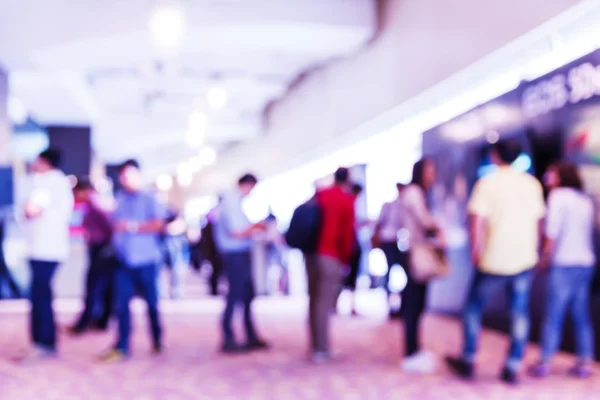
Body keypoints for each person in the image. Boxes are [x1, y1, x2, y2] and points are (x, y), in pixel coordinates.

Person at [445, 140, 546, 384]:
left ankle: (469, 358)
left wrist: (475, 250)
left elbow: (476, 220)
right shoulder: (532, 184)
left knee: (473, 307)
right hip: (524, 259)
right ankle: (512, 365)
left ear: (495, 155)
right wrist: (537, 249)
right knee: (519, 313)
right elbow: (539, 221)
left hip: (493, 257)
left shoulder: (487, 182)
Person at [529, 162, 596, 379]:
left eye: (551, 173)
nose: (547, 176)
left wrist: (544, 259)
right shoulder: (584, 200)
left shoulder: (557, 198)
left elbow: (552, 233)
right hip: (585, 262)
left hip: (564, 262)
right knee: (581, 315)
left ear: (561, 176)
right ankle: (585, 361)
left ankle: (545, 361)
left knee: (553, 314)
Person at [100, 159, 166, 362]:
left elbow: (158, 225)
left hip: (146, 259)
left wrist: (131, 227)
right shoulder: (119, 198)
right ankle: (122, 345)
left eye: (128, 175)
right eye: (122, 175)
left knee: (152, 304)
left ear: (138, 175)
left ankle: (156, 339)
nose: (125, 179)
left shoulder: (149, 198)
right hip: (123, 261)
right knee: (121, 305)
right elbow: (114, 224)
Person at [18, 148, 73, 361]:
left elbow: (31, 209)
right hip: (46, 249)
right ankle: (45, 341)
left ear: (45, 162)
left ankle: (43, 342)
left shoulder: (47, 183)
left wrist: (27, 206)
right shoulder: (57, 183)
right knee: (43, 295)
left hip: (44, 250)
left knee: (40, 297)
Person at [215, 173, 268, 353]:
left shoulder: (236, 201)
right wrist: (257, 227)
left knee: (246, 294)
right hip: (235, 254)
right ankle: (228, 337)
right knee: (235, 295)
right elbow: (236, 232)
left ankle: (249, 335)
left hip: (240, 253)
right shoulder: (231, 202)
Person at [306, 167, 355, 363]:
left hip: (311, 254)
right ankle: (321, 349)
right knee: (324, 303)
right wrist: (345, 260)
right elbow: (346, 235)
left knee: (313, 300)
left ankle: (314, 344)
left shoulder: (320, 195)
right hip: (330, 254)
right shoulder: (346, 200)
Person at [399, 159, 441, 373]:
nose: (433, 175)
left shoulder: (419, 193)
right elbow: (425, 222)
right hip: (416, 252)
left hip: (418, 251)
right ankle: (411, 351)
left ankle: (414, 349)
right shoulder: (414, 193)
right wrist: (439, 228)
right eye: (430, 170)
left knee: (417, 304)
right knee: (414, 304)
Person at [68, 178, 114, 334]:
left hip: (101, 250)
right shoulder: (95, 204)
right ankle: (100, 321)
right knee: (103, 288)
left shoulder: (95, 205)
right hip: (101, 249)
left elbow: (110, 227)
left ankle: (84, 323)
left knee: (93, 286)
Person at [375, 183, 407, 317]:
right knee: (390, 270)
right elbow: (380, 223)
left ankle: (399, 304)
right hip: (387, 241)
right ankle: (389, 304)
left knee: (400, 270)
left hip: (394, 241)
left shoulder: (402, 206)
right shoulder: (390, 205)